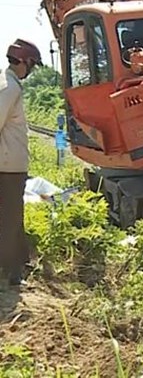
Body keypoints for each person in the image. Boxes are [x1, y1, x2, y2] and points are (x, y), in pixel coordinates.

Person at [0, 39, 43, 286]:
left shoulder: (7, 83)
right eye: (31, 65)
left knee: (11, 217)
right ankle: (10, 273)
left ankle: (16, 267)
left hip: (9, 164)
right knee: (11, 219)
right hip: (8, 167)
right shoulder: (10, 88)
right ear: (24, 63)